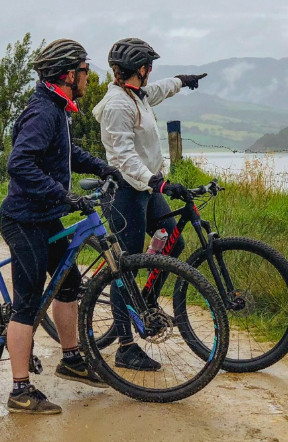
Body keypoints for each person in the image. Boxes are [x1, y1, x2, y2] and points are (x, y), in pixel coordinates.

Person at [0, 38, 123, 415]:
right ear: (69, 75)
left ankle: (71, 358)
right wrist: (64, 194)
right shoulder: (44, 111)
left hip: (44, 217)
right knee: (27, 305)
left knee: (68, 284)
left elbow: (65, 154)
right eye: (86, 70)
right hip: (24, 220)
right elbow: (19, 164)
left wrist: (101, 166)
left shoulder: (58, 108)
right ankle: (20, 391)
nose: (89, 76)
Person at [92, 37, 207, 371]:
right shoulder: (116, 106)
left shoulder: (136, 94)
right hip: (126, 191)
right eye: (149, 66)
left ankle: (145, 302)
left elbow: (156, 91)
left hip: (145, 188)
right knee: (124, 266)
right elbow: (123, 156)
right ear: (139, 69)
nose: (151, 71)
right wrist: (156, 180)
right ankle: (125, 347)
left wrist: (182, 82)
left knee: (175, 240)